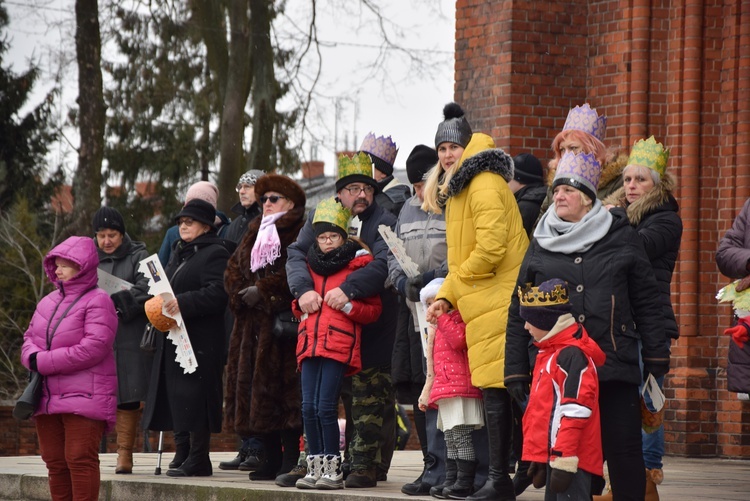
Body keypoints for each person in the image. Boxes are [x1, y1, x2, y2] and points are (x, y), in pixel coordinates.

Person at [504, 151, 671, 500]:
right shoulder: (541, 240)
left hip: (613, 364)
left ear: (588, 198)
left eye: (569, 190)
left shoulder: (620, 235)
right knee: (567, 453)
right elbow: (518, 307)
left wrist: (655, 355)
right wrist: (516, 369)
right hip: (562, 373)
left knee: (624, 452)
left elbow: (647, 300)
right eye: (557, 190)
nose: (559, 196)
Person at [424, 102, 529, 501]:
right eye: (442, 149)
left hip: (499, 300)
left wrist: (455, 284)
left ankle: (508, 476)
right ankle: (503, 477)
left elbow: (490, 248)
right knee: (495, 392)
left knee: (504, 392)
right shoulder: (460, 187)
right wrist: (447, 296)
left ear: (468, 147)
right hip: (482, 301)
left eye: (454, 147)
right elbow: (464, 256)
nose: (448, 155)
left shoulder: (483, 182)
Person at [287, 151, 398, 488]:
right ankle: (313, 462)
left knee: (368, 396)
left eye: (366, 188)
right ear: (340, 193)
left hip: (370, 322)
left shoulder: (384, 219)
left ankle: (364, 463)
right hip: (325, 327)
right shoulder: (320, 216)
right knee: (317, 402)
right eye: (352, 188)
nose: (361, 194)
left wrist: (349, 290)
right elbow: (296, 253)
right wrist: (303, 291)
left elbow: (384, 262)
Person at [603, 136, 682, 500]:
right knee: (621, 404)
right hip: (622, 322)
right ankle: (618, 480)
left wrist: (610, 218)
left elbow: (637, 248)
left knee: (648, 403)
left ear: (657, 185)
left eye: (640, 180)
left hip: (651, 324)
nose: (631, 186)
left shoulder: (666, 219)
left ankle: (648, 480)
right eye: (628, 179)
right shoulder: (624, 216)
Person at [293, 197, 383, 490]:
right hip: (309, 344)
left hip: (338, 344)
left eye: (333, 236)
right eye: (322, 237)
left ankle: (332, 468)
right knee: (307, 407)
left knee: (325, 407)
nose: (327, 242)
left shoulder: (357, 265)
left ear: (344, 236)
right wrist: (301, 306)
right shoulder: (310, 265)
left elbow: (372, 310)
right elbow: (297, 304)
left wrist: (347, 307)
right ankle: (314, 465)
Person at [223, 174, 307, 485]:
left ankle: (288, 458)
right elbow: (232, 270)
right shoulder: (253, 231)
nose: (267, 205)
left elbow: (297, 272)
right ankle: (270, 457)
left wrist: (265, 291)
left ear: (290, 203)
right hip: (251, 328)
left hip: (283, 327)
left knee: (285, 395)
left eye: (273, 199)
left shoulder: (300, 231)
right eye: (264, 200)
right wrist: (240, 293)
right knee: (257, 395)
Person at [142, 198, 235, 477]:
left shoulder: (216, 253)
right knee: (177, 396)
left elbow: (218, 293)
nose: (183, 226)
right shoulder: (180, 252)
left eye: (189, 221)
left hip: (202, 340)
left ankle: (199, 458)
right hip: (176, 338)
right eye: (181, 222)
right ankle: (183, 452)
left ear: (206, 226)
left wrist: (183, 302)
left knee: (196, 397)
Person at [21, 236, 118, 501]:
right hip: (47, 396)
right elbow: (29, 339)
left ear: (83, 266)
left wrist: (44, 361)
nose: (59, 269)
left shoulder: (99, 300)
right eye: (56, 264)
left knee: (79, 458)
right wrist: (31, 357)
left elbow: (94, 347)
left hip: (85, 395)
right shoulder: (47, 301)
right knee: (54, 460)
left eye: (66, 264)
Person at [388, 144, 451, 496]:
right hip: (411, 311)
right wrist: (401, 282)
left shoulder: (453, 204)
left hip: (444, 309)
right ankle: (430, 463)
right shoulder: (407, 209)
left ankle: (447, 465)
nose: (418, 191)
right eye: (413, 184)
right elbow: (392, 253)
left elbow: (460, 252)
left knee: (444, 387)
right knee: (418, 387)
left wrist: (433, 281)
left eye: (423, 181)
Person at [518, 278, 605, 501]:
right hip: (556, 455)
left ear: (546, 322)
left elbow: (575, 412)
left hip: (571, 457)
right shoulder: (550, 353)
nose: (526, 326)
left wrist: (564, 459)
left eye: (529, 320)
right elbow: (544, 412)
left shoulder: (570, 356)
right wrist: (540, 456)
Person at [92, 207, 152, 474]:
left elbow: (149, 288)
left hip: (129, 336)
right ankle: (89, 452)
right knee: (95, 394)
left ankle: (124, 454)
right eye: (101, 235)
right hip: (96, 336)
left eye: (112, 235)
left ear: (122, 233)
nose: (106, 241)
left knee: (128, 394)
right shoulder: (88, 259)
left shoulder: (140, 255)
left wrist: (114, 302)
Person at [418, 278, 484, 499]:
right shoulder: (437, 327)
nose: (431, 309)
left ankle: (464, 482)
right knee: (450, 437)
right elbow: (432, 367)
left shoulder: (458, 318)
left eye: (435, 302)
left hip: (460, 389)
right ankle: (451, 478)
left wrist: (443, 318)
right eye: (427, 304)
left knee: (461, 436)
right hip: (446, 389)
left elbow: (459, 341)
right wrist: (428, 393)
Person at [219, 168, 266, 473]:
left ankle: (259, 449)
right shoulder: (234, 225)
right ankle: (244, 445)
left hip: (258, 306)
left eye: (249, 185)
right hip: (234, 308)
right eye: (240, 185)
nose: (243, 190)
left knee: (256, 381)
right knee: (237, 381)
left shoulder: (266, 222)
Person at [157, 180, 230, 266]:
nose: (192, 207)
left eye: (198, 203)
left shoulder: (226, 231)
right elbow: (160, 267)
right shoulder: (172, 233)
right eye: (189, 203)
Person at [358, 132, 411, 217]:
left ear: (383, 172)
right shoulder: (369, 195)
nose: (361, 171)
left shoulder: (396, 202)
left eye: (366, 166)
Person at [508, 152, 547, 238]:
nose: (506, 182)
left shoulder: (525, 206)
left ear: (519, 178)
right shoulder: (544, 199)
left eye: (509, 177)